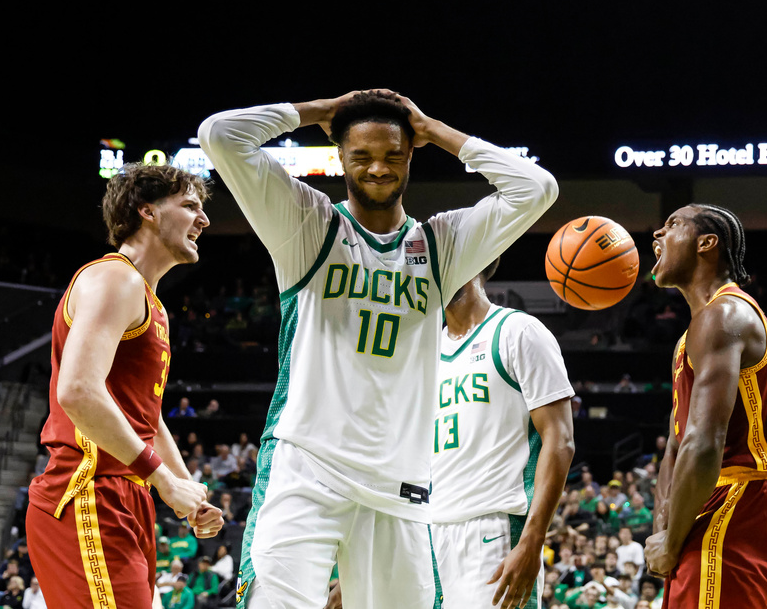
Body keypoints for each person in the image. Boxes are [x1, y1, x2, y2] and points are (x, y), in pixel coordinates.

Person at [199, 88, 557, 609]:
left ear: (411, 156)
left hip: (401, 490)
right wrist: (324, 110)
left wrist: (434, 129)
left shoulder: (441, 246)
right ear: (340, 157)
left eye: (393, 155)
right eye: (361, 155)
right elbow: (219, 135)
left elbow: (536, 188)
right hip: (306, 468)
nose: (377, 168)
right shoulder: (308, 223)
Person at [25, 163, 224, 609]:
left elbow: (144, 419)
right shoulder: (115, 277)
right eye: (190, 205)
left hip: (125, 495)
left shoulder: (152, 303)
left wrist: (183, 489)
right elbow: (77, 390)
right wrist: (164, 480)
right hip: (89, 489)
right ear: (147, 211)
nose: (204, 219)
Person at [643, 204, 767, 607]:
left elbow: (705, 441)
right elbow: (676, 444)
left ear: (706, 243)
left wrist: (670, 541)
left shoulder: (725, 315)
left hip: (737, 496)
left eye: (672, 225)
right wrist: (664, 526)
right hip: (704, 501)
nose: (657, 234)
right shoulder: (691, 335)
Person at [428, 262, 575, 609]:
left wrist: (532, 541)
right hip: (428, 535)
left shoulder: (518, 330)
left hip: (493, 529)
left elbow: (560, 439)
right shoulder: (423, 351)